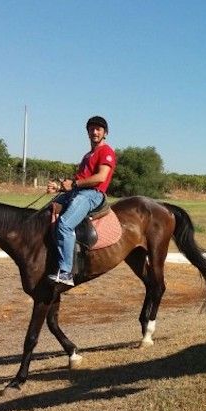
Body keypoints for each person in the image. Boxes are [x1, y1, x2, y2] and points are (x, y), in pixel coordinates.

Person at [46, 115, 117, 286]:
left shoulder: (106, 152)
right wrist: (59, 187)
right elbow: (77, 180)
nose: (94, 132)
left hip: (92, 194)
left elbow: (101, 177)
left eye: (98, 129)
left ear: (105, 133)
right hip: (78, 192)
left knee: (65, 224)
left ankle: (66, 272)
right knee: (47, 210)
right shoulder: (87, 155)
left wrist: (74, 184)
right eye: (91, 129)